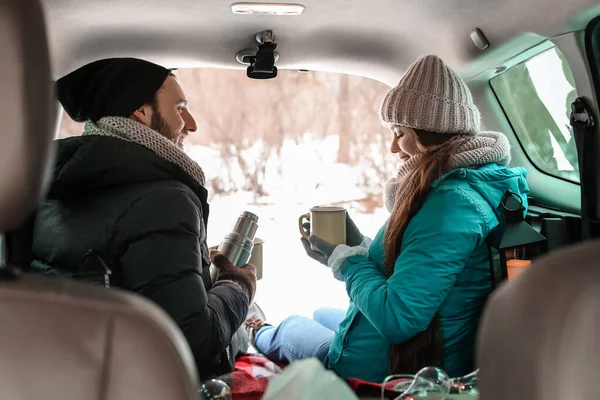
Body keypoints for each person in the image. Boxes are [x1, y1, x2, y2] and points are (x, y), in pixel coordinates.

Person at [247, 55, 529, 382]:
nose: (394, 147)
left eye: (399, 132)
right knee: (322, 313)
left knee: (291, 327)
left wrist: (347, 261)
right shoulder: (475, 185)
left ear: (429, 132)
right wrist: (360, 247)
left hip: (401, 369)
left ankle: (257, 330)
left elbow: (399, 318)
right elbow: (421, 264)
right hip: (430, 345)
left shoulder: (451, 204)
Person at [30, 57, 257, 380]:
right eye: (180, 108)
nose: (191, 124)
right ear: (141, 112)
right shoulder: (165, 200)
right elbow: (192, 342)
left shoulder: (48, 186)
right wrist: (238, 286)